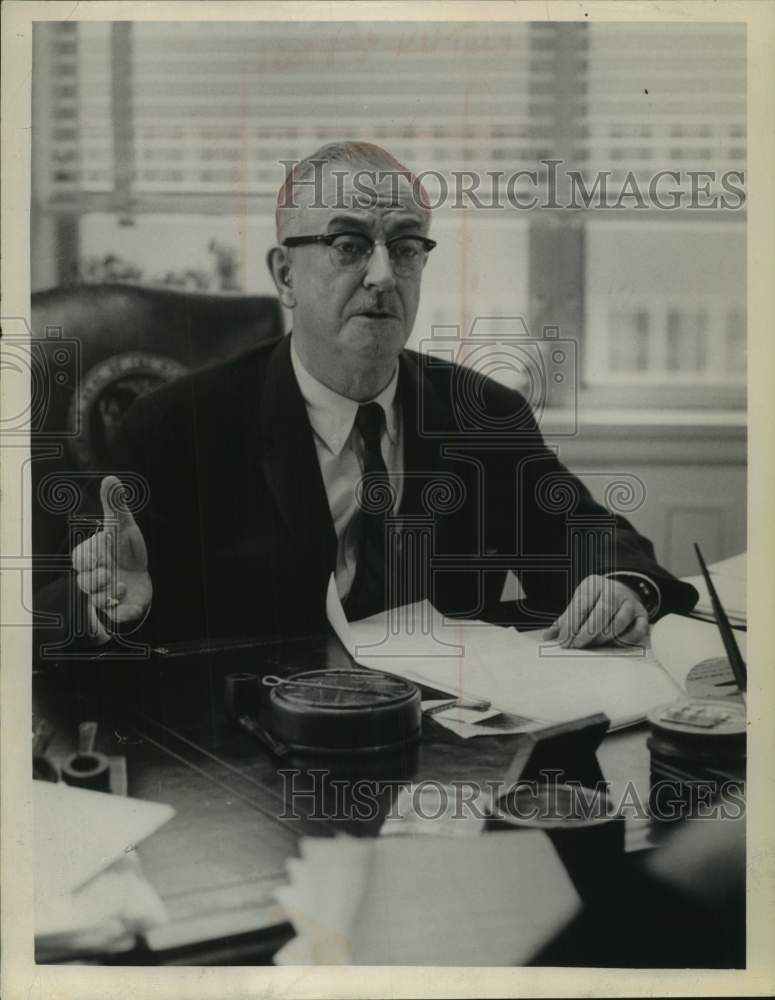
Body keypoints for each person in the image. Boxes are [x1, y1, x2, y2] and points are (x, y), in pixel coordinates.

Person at [67, 142, 698, 652]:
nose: (382, 276)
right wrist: (112, 610)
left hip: (447, 753)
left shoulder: (485, 415)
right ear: (286, 275)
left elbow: (588, 536)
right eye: (348, 246)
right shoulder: (177, 425)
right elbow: (99, 604)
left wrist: (619, 586)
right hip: (259, 760)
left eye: (404, 248)